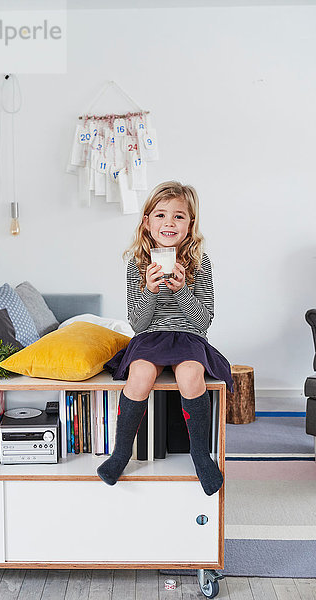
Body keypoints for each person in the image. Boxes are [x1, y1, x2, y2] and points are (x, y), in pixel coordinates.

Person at [97, 181, 233, 496]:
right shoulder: (137, 263)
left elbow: (203, 320)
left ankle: (200, 454)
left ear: (191, 225)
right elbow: (138, 323)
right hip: (151, 337)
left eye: (178, 216)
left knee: (190, 374)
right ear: (147, 222)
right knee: (140, 374)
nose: (168, 223)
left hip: (188, 337)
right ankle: (121, 453)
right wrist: (151, 290)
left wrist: (182, 289)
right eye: (160, 215)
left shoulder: (200, 262)